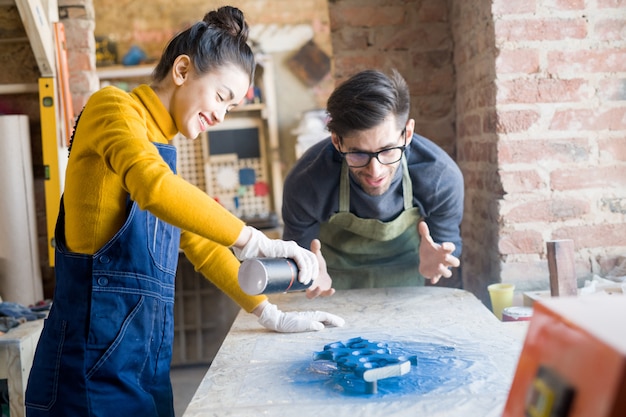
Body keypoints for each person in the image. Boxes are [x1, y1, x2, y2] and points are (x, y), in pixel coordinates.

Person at [25, 7, 342, 417]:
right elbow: (154, 188)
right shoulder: (113, 110)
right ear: (181, 70)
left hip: (144, 369)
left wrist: (268, 311)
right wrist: (253, 239)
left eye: (232, 106)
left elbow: (204, 247)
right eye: (222, 97)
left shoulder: (160, 152)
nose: (222, 114)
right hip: (85, 369)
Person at [282, 69, 464, 289]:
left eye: (387, 151)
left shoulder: (441, 178)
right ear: (337, 142)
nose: (375, 171)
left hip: (405, 281)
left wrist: (438, 264)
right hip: (332, 284)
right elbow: (296, 256)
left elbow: (448, 244)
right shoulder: (306, 183)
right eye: (358, 154)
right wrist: (307, 273)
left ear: (407, 134)